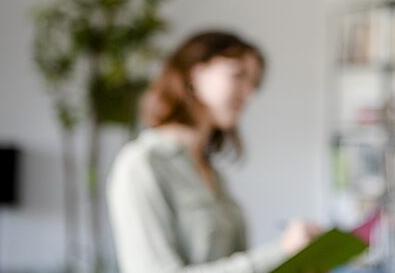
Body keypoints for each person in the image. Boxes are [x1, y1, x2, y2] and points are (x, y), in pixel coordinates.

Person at [108, 31, 319, 272]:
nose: (248, 94)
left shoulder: (212, 173)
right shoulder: (141, 164)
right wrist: (280, 252)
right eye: (238, 75)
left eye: (254, 84)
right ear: (194, 73)